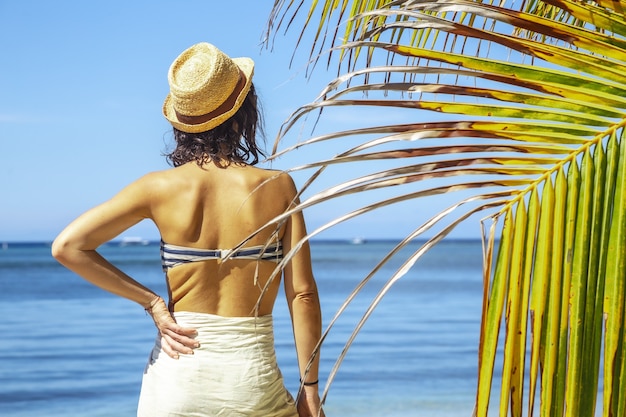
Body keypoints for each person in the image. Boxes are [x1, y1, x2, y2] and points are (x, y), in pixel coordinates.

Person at [52, 42, 325, 417]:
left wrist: (152, 303)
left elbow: (68, 246)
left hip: (174, 381)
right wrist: (309, 389)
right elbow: (303, 295)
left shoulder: (156, 188)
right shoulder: (277, 187)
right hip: (251, 382)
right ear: (245, 111)